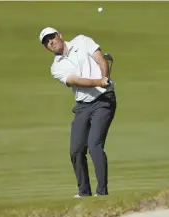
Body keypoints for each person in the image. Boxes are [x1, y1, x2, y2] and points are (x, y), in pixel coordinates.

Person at [39, 27, 117, 197]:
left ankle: (102, 193)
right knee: (75, 149)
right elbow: (76, 80)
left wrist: (104, 78)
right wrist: (98, 81)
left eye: (51, 37)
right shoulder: (56, 68)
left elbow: (101, 59)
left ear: (59, 35)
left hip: (104, 100)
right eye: (46, 42)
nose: (50, 42)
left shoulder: (82, 41)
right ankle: (84, 193)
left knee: (95, 145)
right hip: (82, 105)